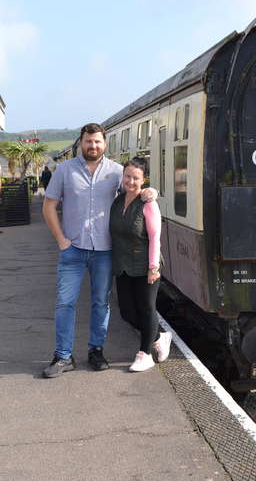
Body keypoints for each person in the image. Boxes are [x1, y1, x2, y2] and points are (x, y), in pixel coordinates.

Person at [41, 123, 157, 378]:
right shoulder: (65, 170)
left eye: (97, 142)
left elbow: (134, 190)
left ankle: (96, 350)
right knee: (64, 303)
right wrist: (61, 240)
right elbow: (49, 206)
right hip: (73, 249)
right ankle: (62, 356)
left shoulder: (117, 172)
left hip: (105, 251)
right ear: (81, 143)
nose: (93, 146)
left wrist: (150, 191)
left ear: (105, 144)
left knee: (100, 304)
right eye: (88, 141)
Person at [110, 157, 171, 372]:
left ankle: (145, 354)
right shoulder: (117, 200)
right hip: (123, 265)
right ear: (123, 177)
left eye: (136, 178)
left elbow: (155, 237)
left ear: (143, 179)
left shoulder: (148, 203)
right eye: (128, 176)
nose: (131, 181)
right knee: (127, 312)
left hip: (146, 265)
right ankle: (159, 337)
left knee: (146, 309)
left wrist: (153, 267)